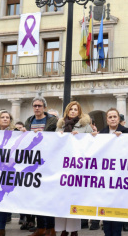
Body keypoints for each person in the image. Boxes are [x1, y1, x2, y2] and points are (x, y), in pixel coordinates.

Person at [55, 101, 93, 236]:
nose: (73, 111)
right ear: (67, 111)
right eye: (71, 109)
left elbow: (92, 143)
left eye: (75, 109)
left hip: (77, 169)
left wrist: (83, 137)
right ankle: (63, 230)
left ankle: (73, 230)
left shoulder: (85, 126)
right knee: (61, 200)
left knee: (74, 200)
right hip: (62, 168)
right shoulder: (59, 126)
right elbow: (53, 145)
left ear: (79, 112)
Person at [23, 96, 58, 236]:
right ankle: (41, 227)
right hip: (33, 163)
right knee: (37, 196)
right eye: (35, 105)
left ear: (44, 107)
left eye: (39, 105)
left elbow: (58, 137)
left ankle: (51, 227)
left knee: (48, 196)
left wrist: (43, 135)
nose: (37, 108)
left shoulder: (52, 121)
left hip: (48, 162)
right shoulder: (28, 121)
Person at [99, 108, 128, 236]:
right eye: (110, 117)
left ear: (119, 119)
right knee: (106, 210)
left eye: (115, 117)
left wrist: (123, 138)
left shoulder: (126, 131)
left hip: (120, 177)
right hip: (106, 177)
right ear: (107, 120)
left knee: (117, 211)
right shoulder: (102, 133)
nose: (112, 119)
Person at [0, 110, 16, 236]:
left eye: (7, 117)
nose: (5, 119)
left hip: (7, 172)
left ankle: (1, 228)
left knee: (3, 200)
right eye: (2, 117)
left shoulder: (15, 134)